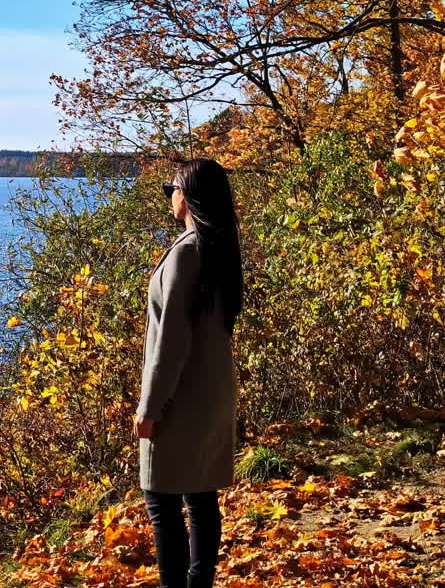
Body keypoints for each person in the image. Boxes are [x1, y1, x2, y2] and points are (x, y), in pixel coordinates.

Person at [134, 158, 244, 588]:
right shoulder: (220, 251)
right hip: (213, 391)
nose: (170, 196)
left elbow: (171, 342)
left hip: (181, 397)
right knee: (200, 497)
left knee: (160, 499)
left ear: (189, 195)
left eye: (173, 188)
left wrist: (150, 406)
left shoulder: (188, 253)